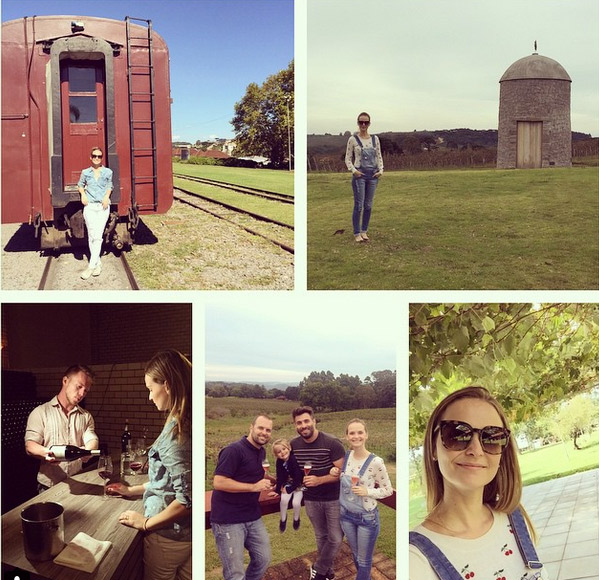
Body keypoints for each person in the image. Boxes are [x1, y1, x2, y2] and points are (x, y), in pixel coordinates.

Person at [409, 386, 548, 580]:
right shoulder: (414, 561)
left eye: (491, 437)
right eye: (457, 434)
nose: (476, 450)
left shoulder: (515, 520)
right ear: (433, 448)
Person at [109, 350, 192, 580]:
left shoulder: (177, 435)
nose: (149, 397)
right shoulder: (186, 420)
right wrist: (132, 490)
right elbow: (169, 482)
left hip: (167, 539)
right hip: (188, 538)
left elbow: (186, 500)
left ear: (166, 385)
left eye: (150, 389)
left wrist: (145, 523)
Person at [210, 414, 274, 580]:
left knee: (263, 558)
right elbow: (219, 482)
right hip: (228, 520)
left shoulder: (260, 451)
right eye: (261, 428)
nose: (264, 433)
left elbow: (255, 474)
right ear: (251, 427)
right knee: (235, 573)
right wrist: (253, 487)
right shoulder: (233, 450)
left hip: (252, 515)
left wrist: (278, 481)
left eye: (268, 430)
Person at [330, 419, 393, 580]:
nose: (356, 436)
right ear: (347, 436)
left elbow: (387, 490)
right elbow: (344, 481)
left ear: (366, 435)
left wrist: (367, 491)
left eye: (360, 432)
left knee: (364, 561)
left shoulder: (376, 462)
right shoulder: (347, 456)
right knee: (356, 555)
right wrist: (334, 471)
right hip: (346, 515)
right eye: (352, 433)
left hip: (367, 518)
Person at [25, 364, 99, 493]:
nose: (82, 393)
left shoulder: (86, 416)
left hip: (78, 482)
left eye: (86, 390)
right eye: (79, 386)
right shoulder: (41, 412)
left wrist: (88, 451)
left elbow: (92, 438)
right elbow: (30, 445)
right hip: (48, 487)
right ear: (65, 381)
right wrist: (47, 453)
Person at [291, 406, 345, 580]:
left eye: (306, 421)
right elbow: (293, 472)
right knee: (321, 536)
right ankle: (328, 573)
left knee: (336, 538)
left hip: (333, 498)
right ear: (295, 425)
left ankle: (318, 570)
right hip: (311, 499)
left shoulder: (331, 443)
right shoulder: (293, 445)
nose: (303, 425)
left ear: (314, 421)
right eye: (299, 423)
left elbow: (343, 473)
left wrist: (319, 480)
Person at [345, 112, 383, 243]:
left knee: (368, 205)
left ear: (369, 124)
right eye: (361, 122)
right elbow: (348, 159)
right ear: (357, 122)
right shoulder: (352, 139)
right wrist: (354, 171)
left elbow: (378, 155)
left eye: (366, 122)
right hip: (359, 175)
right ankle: (356, 233)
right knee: (359, 205)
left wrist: (381, 171)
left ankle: (364, 231)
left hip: (373, 175)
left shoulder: (375, 139)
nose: (363, 125)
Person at [77, 146, 113, 280]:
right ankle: (98, 263)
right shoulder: (85, 172)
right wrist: (83, 195)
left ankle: (91, 267)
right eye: (94, 156)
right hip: (90, 206)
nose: (97, 158)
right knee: (91, 235)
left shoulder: (108, 172)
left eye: (99, 156)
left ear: (102, 158)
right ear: (90, 157)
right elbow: (80, 184)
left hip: (103, 207)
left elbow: (110, 186)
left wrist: (106, 197)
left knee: (97, 236)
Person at [272, 438, 304, 532]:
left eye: (284, 449)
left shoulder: (293, 459)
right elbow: (280, 477)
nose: (282, 452)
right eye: (278, 452)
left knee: (296, 503)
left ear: (289, 448)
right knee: (283, 500)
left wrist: (290, 489)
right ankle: (283, 519)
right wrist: (277, 490)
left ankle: (296, 519)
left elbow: (298, 478)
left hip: (298, 484)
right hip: (287, 483)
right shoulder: (279, 462)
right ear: (276, 455)